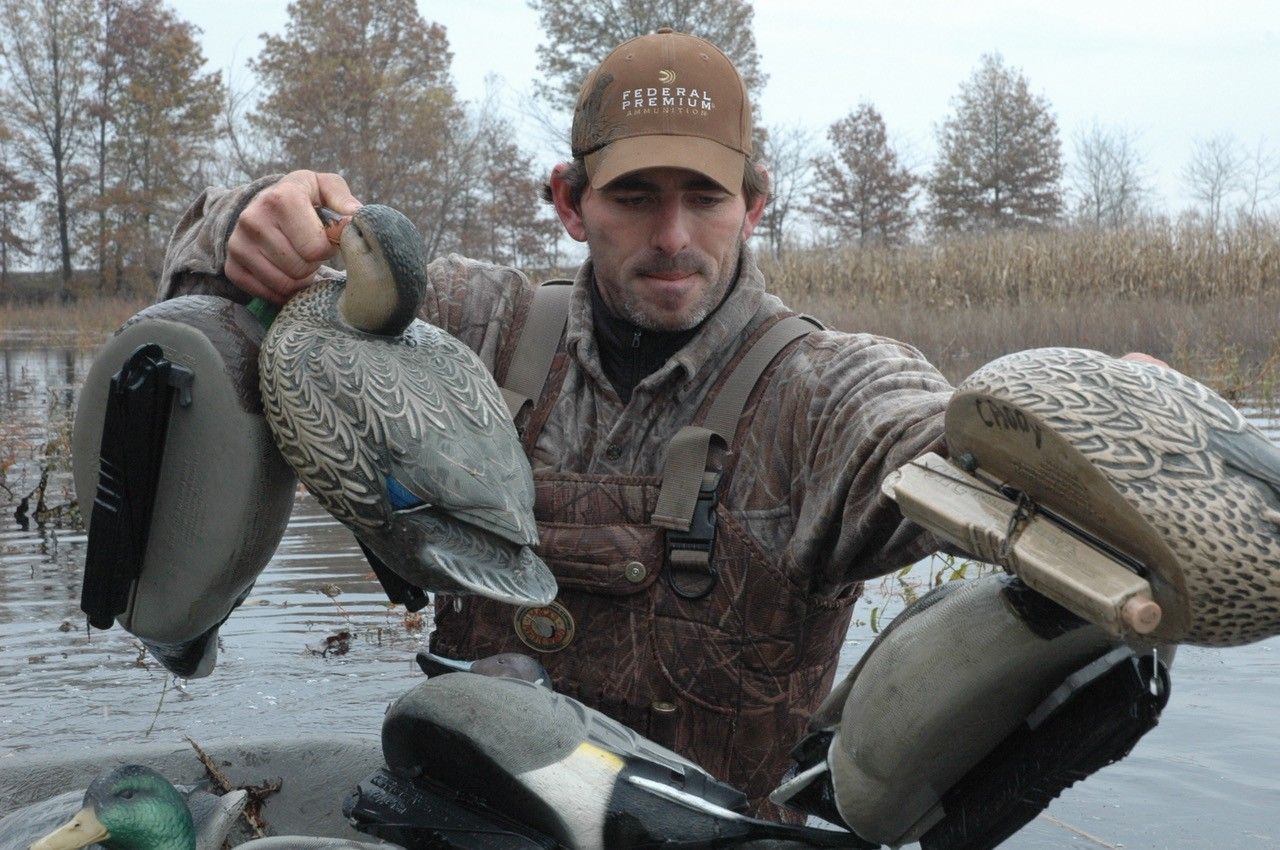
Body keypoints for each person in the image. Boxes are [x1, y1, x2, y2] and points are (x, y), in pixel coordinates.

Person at [158, 29, 955, 820]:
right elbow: (208, 317)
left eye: (705, 198)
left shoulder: (819, 394)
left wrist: (999, 438)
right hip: (463, 828)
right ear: (572, 203)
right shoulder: (469, 328)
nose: (672, 236)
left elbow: (929, 435)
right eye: (635, 197)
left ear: (752, 207)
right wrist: (247, 227)